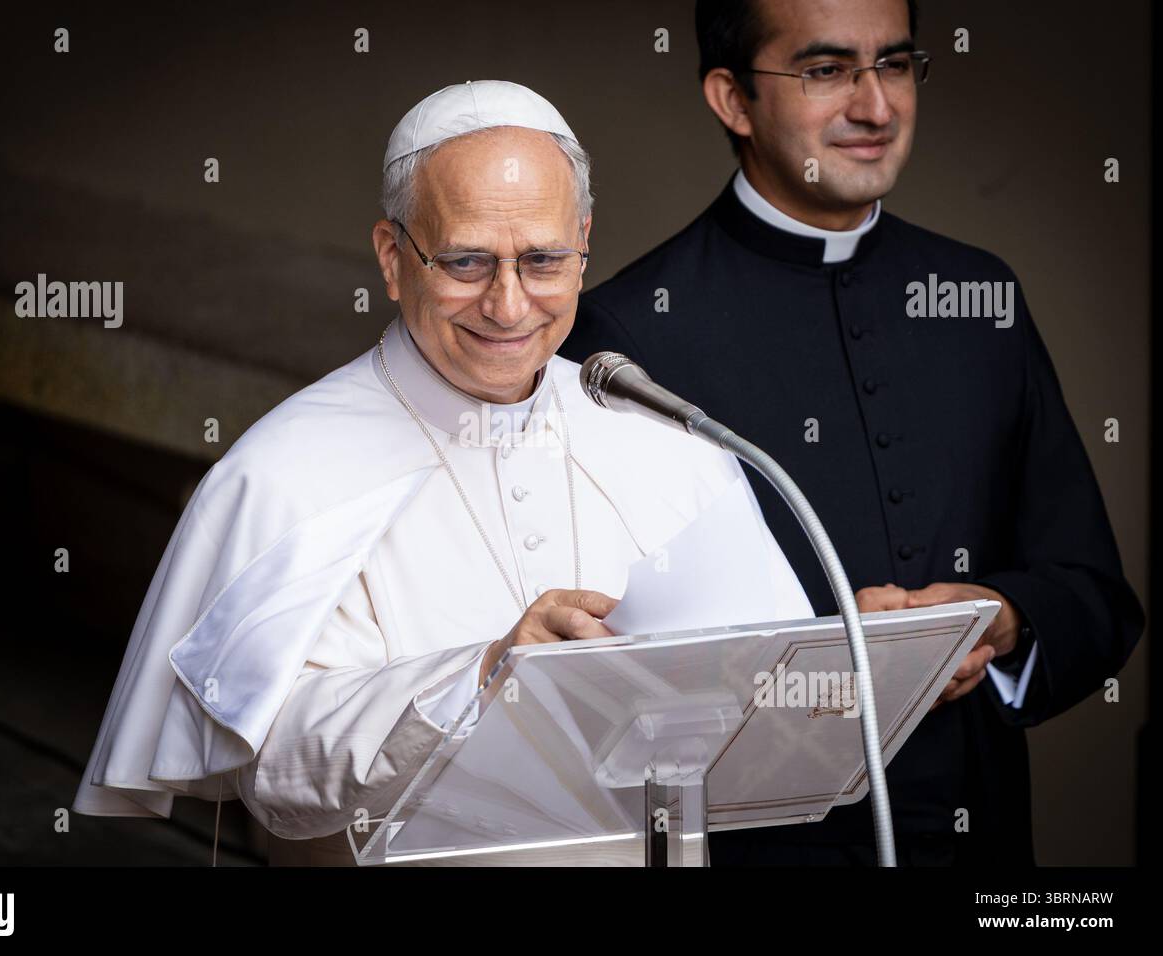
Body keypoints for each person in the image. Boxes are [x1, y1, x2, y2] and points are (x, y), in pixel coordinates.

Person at [71, 80, 814, 866]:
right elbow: (276, 768)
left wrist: (858, 655)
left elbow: (768, 704)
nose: (508, 304)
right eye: (466, 262)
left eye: (543, 260)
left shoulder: (661, 434)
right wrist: (487, 675)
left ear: (584, 243)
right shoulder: (285, 469)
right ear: (393, 260)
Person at [561, 0, 1144, 865]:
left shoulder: (981, 298)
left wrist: (1004, 617)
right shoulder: (626, 335)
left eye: (897, 64)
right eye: (827, 71)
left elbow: (1095, 595)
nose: (876, 107)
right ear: (732, 98)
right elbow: (595, 674)